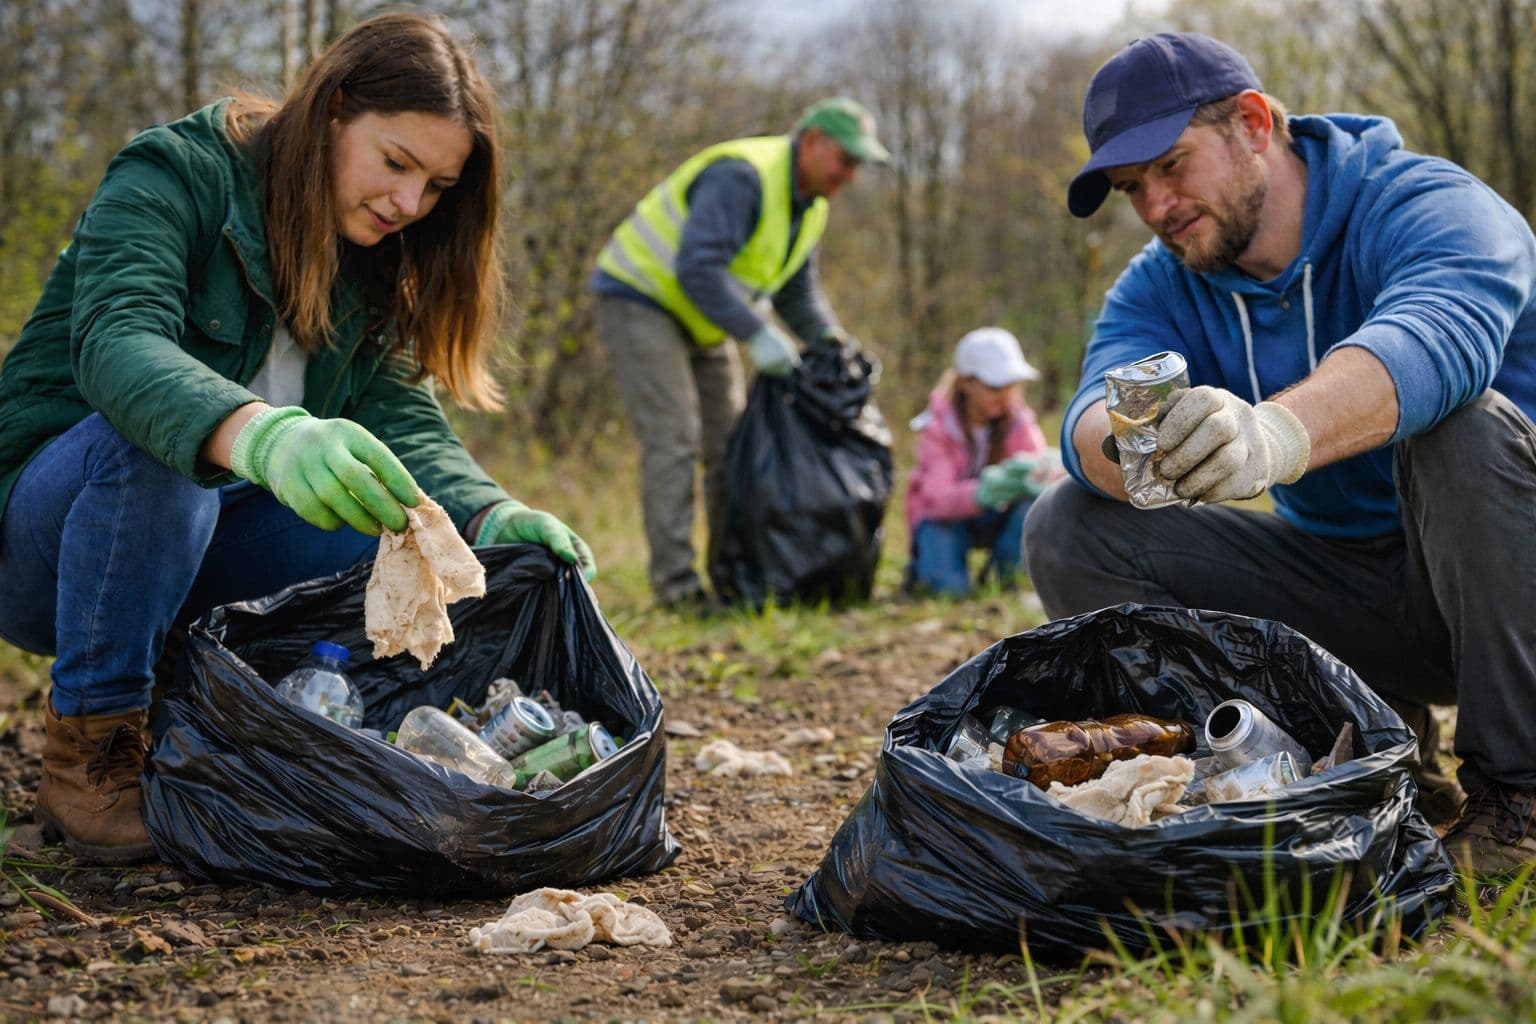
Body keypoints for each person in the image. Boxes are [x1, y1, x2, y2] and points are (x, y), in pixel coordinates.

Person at [0, 12, 595, 864]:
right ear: (330, 111)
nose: (408, 204)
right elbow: (117, 342)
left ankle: (216, 715)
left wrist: (488, 514)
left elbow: (402, 423)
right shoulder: (174, 172)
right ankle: (91, 756)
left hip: (196, 552)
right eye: (396, 163)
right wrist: (266, 437)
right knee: (162, 448)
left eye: (435, 186)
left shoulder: (375, 255)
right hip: (48, 548)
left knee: (383, 511)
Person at [1022, 30, 1536, 873]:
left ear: (1254, 124)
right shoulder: (1163, 282)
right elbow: (1097, 408)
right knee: (1071, 525)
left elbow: (1436, 339)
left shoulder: (1425, 204)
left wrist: (1271, 435)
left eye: (1172, 165)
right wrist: (1140, 447)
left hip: (1511, 579)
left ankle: (1519, 794)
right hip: (1364, 590)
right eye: (1131, 188)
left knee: (1460, 423)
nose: (1154, 205)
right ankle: (1341, 756)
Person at [590, 97, 889, 608]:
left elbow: (797, 289)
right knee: (675, 438)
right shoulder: (743, 176)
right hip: (641, 298)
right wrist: (756, 332)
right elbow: (698, 268)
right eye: (846, 159)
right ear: (813, 141)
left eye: (859, 164)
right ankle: (677, 587)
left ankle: (733, 578)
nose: (851, 175)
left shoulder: (810, 205)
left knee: (732, 446)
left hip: (705, 318)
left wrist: (829, 337)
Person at [904, 327, 1063, 595]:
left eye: (1010, 386)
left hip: (995, 516)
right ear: (965, 383)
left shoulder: (1018, 422)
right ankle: (925, 569)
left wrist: (1039, 473)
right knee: (948, 591)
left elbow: (1041, 471)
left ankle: (1007, 576)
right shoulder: (937, 428)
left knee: (1034, 506)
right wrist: (984, 490)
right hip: (944, 520)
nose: (1004, 396)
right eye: (993, 387)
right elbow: (936, 497)